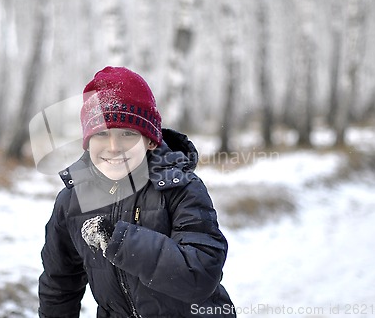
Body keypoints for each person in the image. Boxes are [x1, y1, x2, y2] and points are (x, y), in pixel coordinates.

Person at [38, 66, 235, 317]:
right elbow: (59, 284)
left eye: (128, 134)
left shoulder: (181, 189)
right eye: (101, 134)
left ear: (150, 140)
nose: (113, 146)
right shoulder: (73, 201)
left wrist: (120, 241)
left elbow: (200, 273)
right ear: (87, 142)